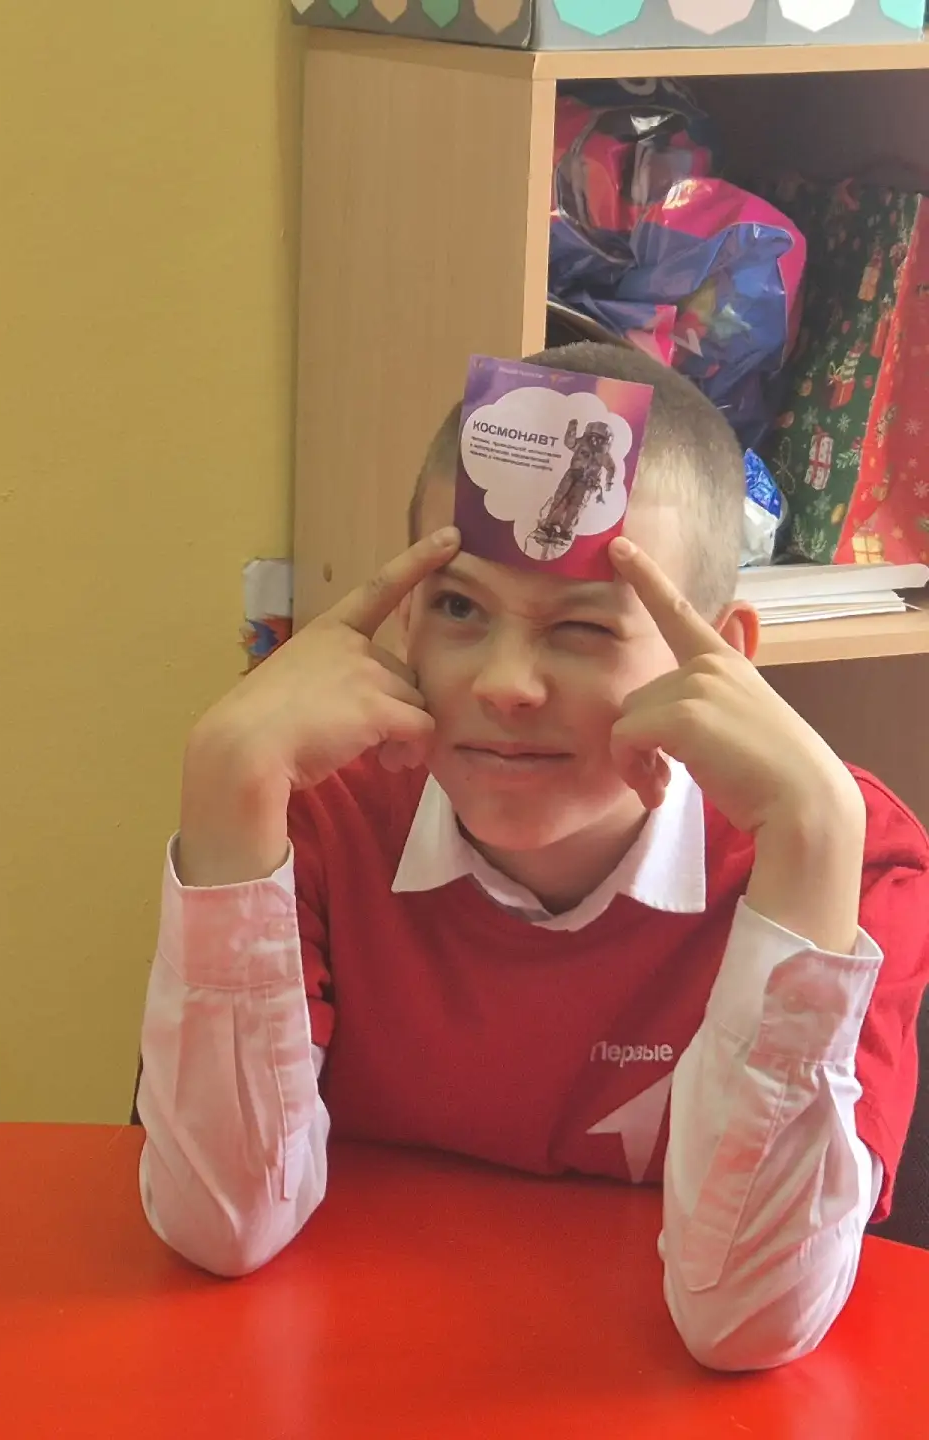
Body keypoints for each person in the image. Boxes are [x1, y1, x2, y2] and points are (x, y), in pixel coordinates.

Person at [135, 342, 929, 1371]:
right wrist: (227, 790)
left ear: (721, 659)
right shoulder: (316, 814)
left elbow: (745, 1321)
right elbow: (222, 1226)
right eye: (460, 608)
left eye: (584, 626)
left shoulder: (844, 867)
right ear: (407, 618)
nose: (504, 683)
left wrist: (813, 840)